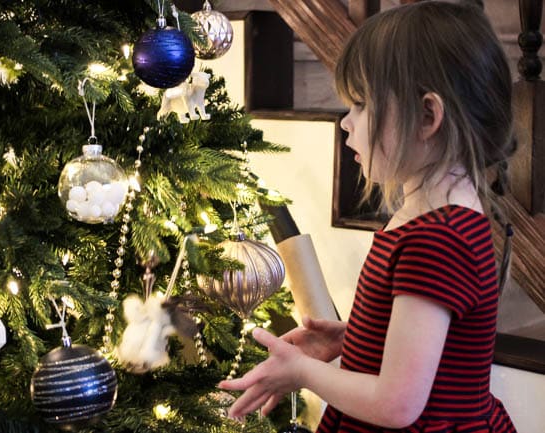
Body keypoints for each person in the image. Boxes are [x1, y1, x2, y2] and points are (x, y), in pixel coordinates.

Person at [218, 1, 518, 432]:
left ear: (428, 116)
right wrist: (358, 339)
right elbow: (431, 349)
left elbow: (397, 404)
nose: (345, 122)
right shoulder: (431, 216)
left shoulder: (438, 239)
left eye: (360, 105)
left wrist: (303, 373)